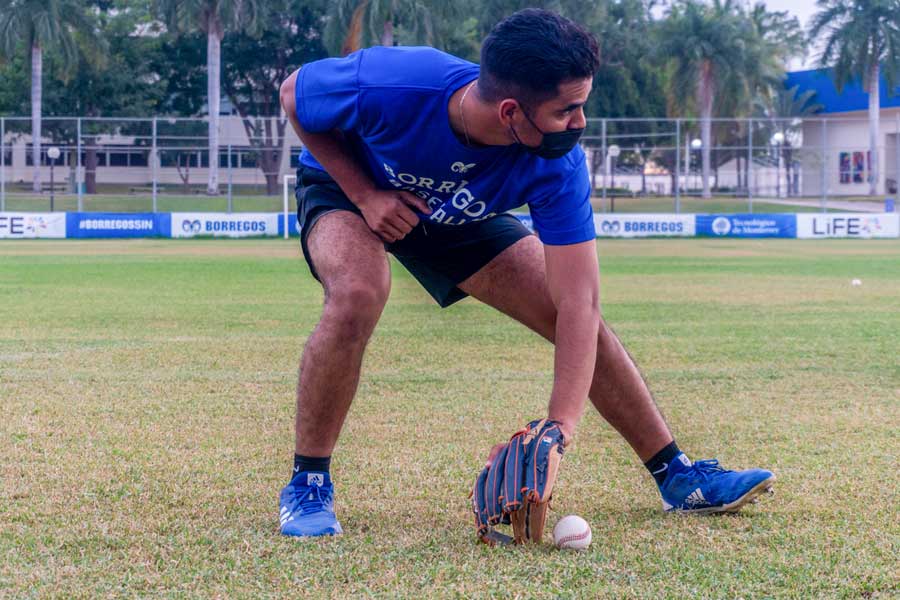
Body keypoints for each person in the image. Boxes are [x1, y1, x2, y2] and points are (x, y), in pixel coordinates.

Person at [277, 8, 774, 538]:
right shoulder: (395, 82)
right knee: (357, 291)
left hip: (460, 212)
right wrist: (364, 193)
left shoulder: (556, 163)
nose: (579, 123)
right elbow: (293, 95)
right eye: (567, 110)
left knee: (575, 319)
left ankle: (677, 476)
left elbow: (579, 302)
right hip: (351, 189)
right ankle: (308, 483)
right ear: (511, 111)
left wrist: (558, 428)